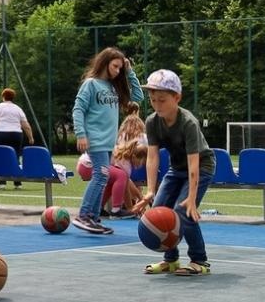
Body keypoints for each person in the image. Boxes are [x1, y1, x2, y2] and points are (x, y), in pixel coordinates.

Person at [132, 69, 212, 275]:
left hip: (201, 167)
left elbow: (194, 163)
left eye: (162, 100)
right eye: (153, 100)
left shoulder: (188, 122)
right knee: (158, 211)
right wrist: (150, 190)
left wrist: (192, 198)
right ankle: (171, 260)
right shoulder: (152, 121)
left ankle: (200, 261)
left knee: (183, 212)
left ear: (177, 98)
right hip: (176, 169)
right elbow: (152, 156)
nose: (157, 105)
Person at [71, 46, 143, 235]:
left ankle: (94, 218)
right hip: (95, 139)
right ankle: (84, 215)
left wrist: (129, 72)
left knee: (103, 178)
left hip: (109, 142)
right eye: (115, 66)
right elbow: (78, 109)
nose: (117, 70)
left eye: (120, 68)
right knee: (101, 175)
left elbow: (138, 97)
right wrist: (81, 134)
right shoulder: (91, 84)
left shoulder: (113, 87)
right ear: (105, 63)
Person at [0, 87, 33, 188]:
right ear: (13, 97)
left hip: (0, 133)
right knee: (16, 156)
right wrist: (30, 137)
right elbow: (25, 125)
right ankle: (17, 182)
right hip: (16, 134)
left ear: (3, 97)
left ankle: (2, 182)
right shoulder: (18, 109)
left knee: (0, 157)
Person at [105, 111, 146, 216]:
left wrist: (131, 208)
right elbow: (125, 185)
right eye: (141, 161)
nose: (142, 163)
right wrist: (133, 206)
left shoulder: (121, 138)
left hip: (100, 165)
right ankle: (117, 209)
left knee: (118, 179)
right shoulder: (125, 162)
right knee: (121, 177)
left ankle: (104, 207)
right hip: (104, 167)